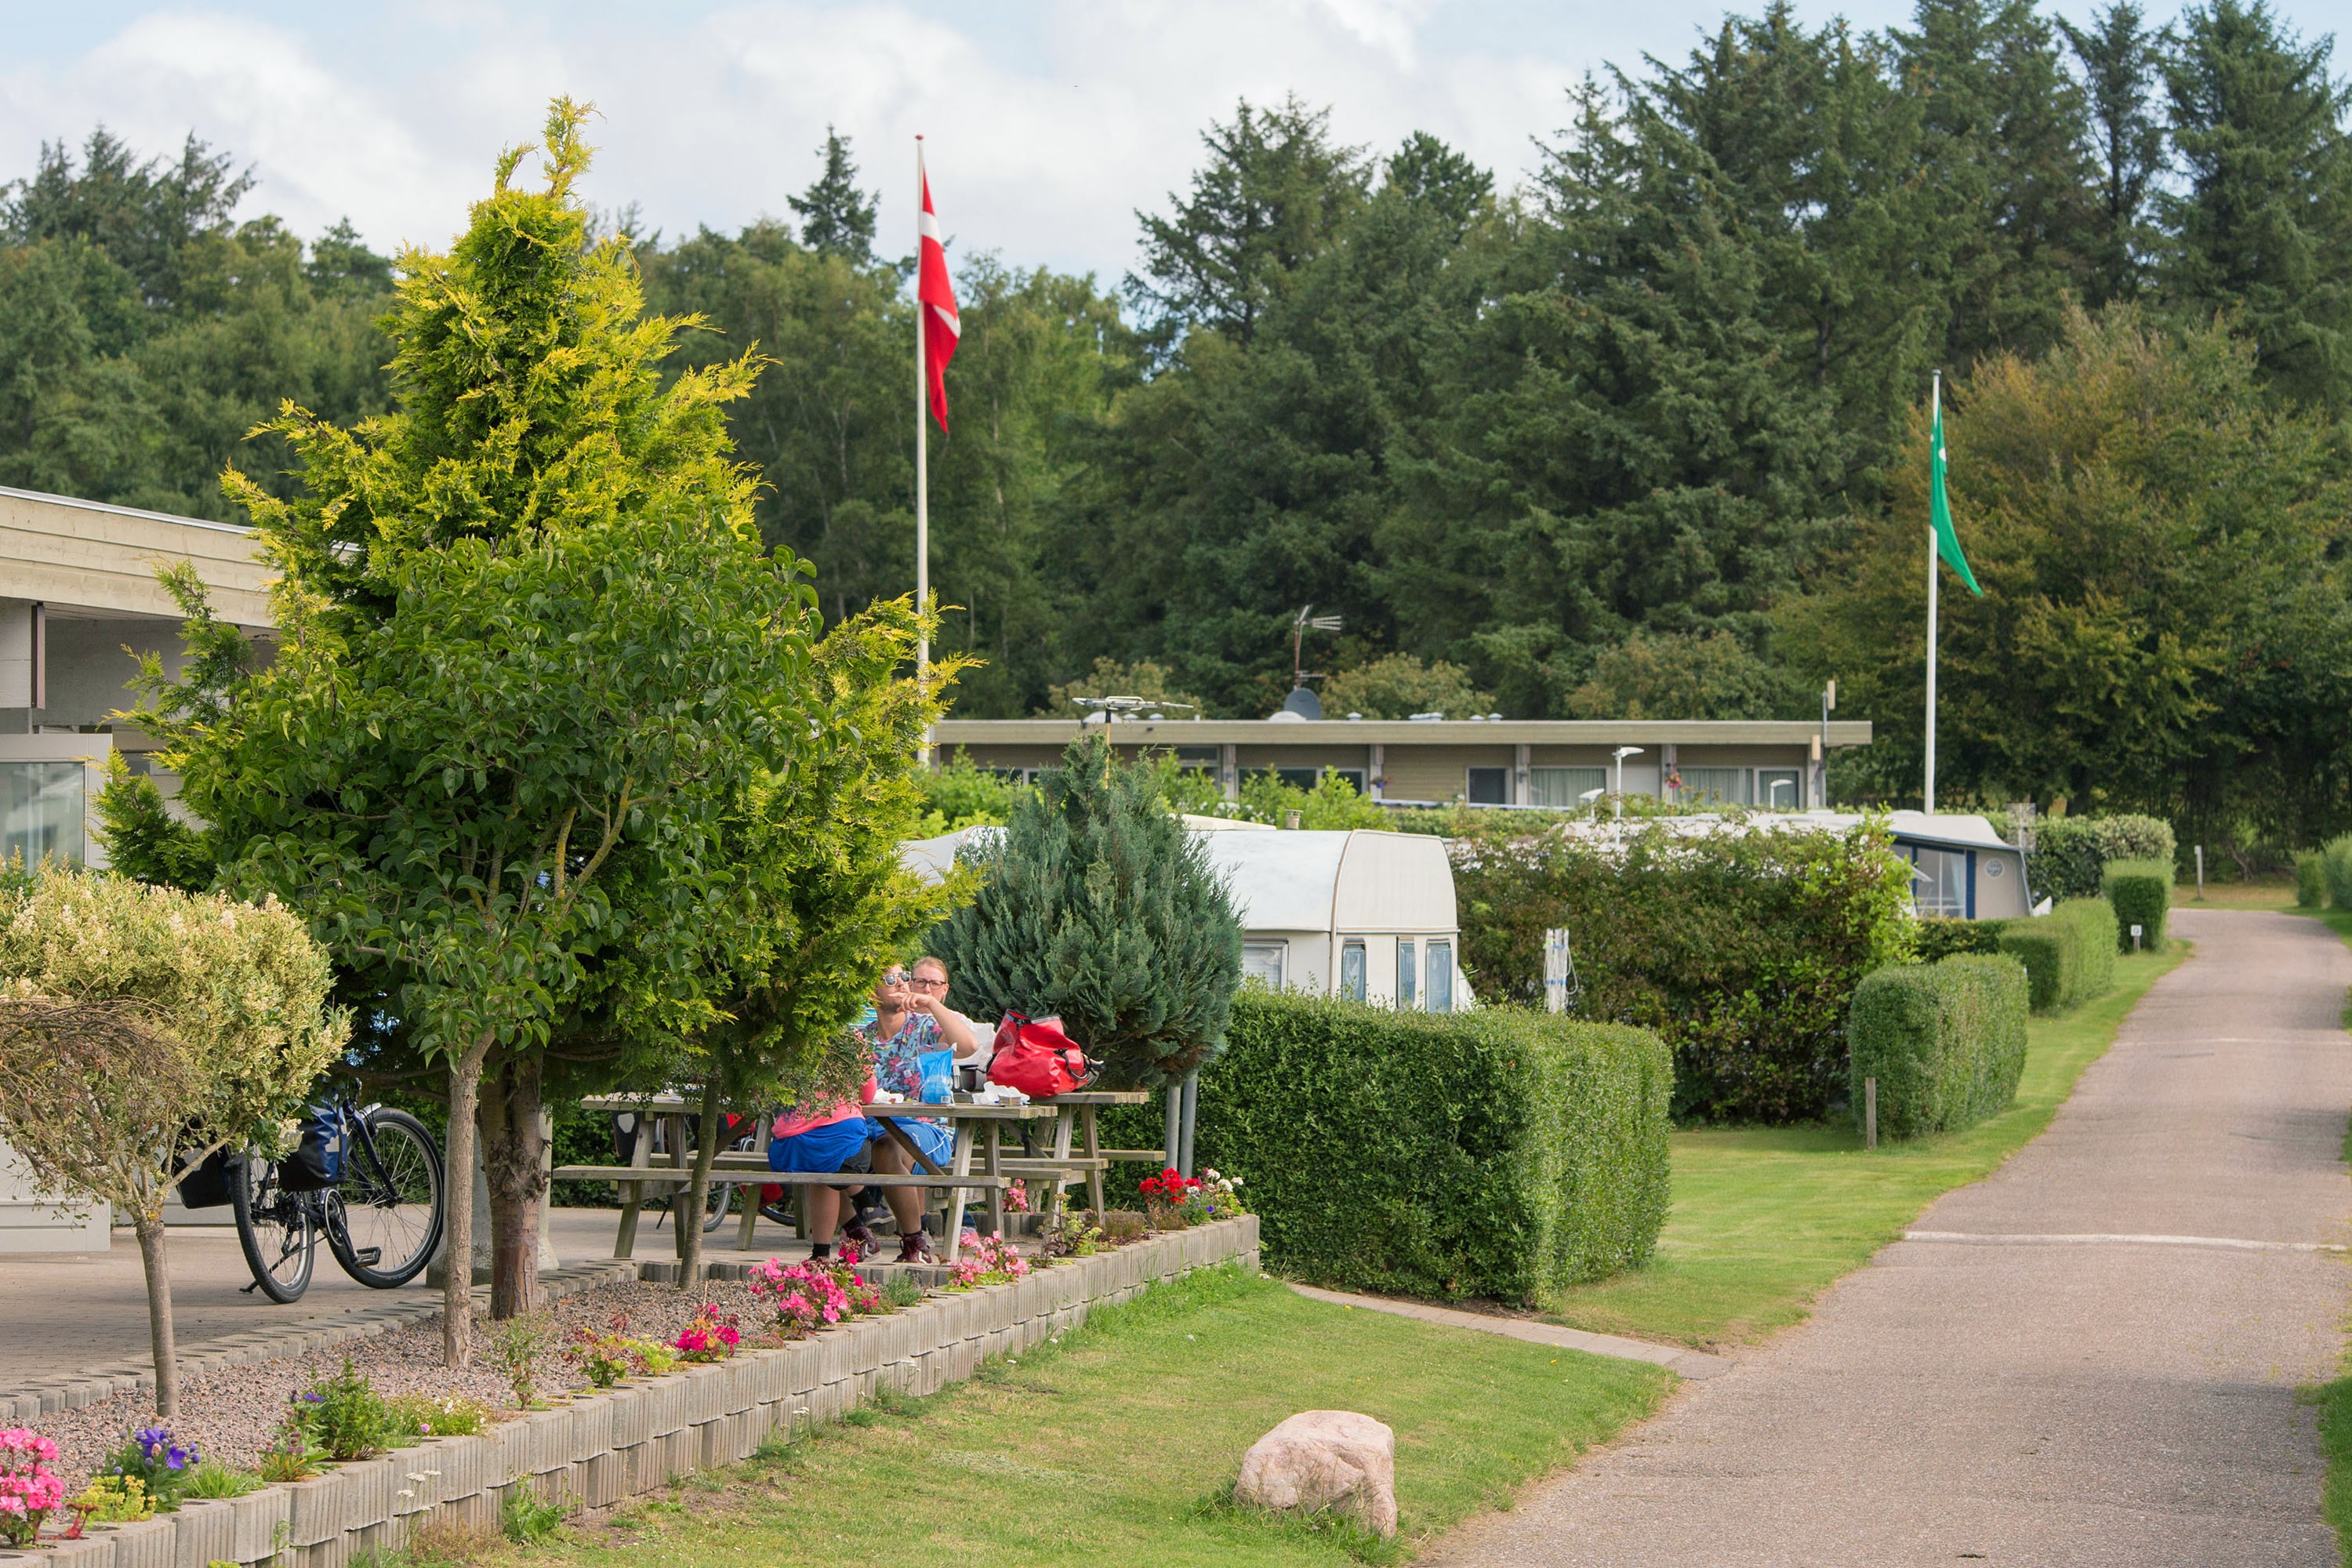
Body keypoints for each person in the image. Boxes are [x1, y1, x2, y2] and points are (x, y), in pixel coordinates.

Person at [852, 964, 980, 1263]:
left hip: (925, 1129)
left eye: (904, 976)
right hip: (869, 1126)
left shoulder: (924, 1028)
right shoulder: (861, 1038)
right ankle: (857, 1228)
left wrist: (931, 1003)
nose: (900, 983)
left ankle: (914, 1242)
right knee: (824, 1144)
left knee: (886, 1148)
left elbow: (970, 1046)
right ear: (871, 992)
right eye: (888, 978)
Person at [765, 1062, 878, 1262]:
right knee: (832, 1162)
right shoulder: (851, 1040)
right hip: (842, 1139)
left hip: (790, 1143)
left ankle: (826, 1253)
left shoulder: (784, 1038)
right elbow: (868, 1094)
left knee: (822, 1169)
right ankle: (868, 1202)